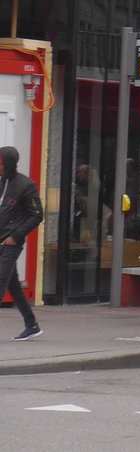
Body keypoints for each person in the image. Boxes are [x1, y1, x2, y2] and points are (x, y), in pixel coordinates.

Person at [0, 146, 43, 341]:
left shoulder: (26, 185)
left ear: (8, 164)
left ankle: (31, 325)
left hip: (11, 241)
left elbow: (37, 215)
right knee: (13, 284)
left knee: (1, 278)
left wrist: (16, 235)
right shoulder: (1, 182)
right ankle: (32, 325)